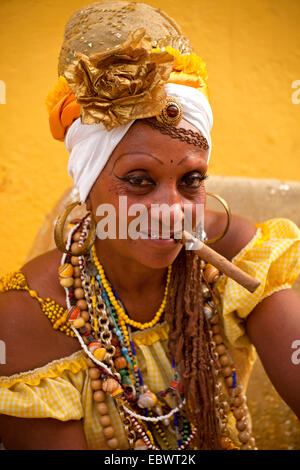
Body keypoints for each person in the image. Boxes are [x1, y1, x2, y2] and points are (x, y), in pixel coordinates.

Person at [0, 1, 300, 450]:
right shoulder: (22, 319)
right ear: (86, 187)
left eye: (191, 181)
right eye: (139, 181)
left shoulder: (235, 254)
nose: (171, 209)